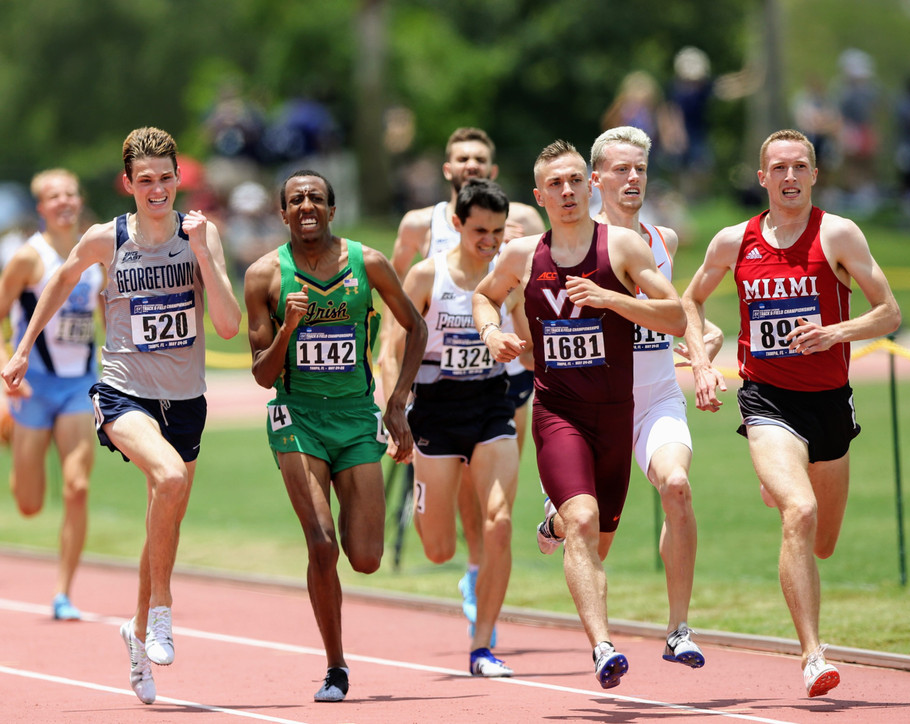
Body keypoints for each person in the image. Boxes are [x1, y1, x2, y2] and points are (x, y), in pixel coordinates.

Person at [1, 127, 242, 705]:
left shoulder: (200, 235)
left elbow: (229, 325)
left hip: (185, 398)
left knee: (166, 514)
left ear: (177, 178)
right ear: (128, 184)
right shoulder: (107, 238)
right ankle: (161, 612)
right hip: (122, 392)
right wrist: (21, 348)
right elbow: (61, 280)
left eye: (166, 178)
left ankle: (136, 631)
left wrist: (205, 253)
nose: (156, 189)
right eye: (145, 180)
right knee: (171, 477)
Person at [680, 129, 900, 698]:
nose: (790, 176)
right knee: (798, 512)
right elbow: (690, 299)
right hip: (767, 398)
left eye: (800, 166)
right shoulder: (734, 241)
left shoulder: (838, 233)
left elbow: (889, 312)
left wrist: (835, 332)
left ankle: (781, 483)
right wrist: (704, 360)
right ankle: (812, 656)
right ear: (762, 178)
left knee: (822, 540)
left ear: (814, 174)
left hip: (829, 402)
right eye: (778, 168)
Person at [473, 140, 686, 689]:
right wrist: (493, 331)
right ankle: (603, 647)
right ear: (539, 194)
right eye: (555, 184)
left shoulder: (623, 247)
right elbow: (483, 294)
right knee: (585, 523)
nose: (567, 192)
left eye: (575, 181)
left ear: (590, 186)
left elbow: (676, 316)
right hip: (559, 413)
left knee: (595, 539)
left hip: (617, 415)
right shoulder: (523, 256)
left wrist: (612, 299)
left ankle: (554, 523)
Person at [243, 169, 426, 702]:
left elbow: (415, 326)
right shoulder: (264, 276)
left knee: (364, 556)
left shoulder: (367, 263)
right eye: (295, 199)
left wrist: (397, 403)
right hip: (296, 417)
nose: (306, 206)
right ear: (282, 214)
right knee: (321, 543)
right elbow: (261, 374)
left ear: (331, 209)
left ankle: (368, 503)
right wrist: (287, 331)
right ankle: (336, 667)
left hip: (354, 416)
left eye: (315, 198)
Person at [384, 127, 545, 636]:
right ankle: (442, 521)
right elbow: (394, 316)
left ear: (493, 169)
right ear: (448, 169)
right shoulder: (421, 231)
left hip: (500, 385)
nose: (471, 164)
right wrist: (392, 404)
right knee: (439, 544)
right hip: (435, 395)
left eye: (481, 157)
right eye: (462, 158)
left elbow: (543, 289)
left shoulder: (518, 225)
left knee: (495, 508)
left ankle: (481, 601)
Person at [589, 127, 723, 669]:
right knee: (594, 539)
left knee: (678, 484)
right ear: (596, 178)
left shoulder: (662, 239)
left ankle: (678, 629)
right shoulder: (579, 242)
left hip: (658, 396)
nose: (632, 179)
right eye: (621, 170)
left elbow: (684, 310)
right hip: (596, 407)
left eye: (640, 169)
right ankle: (599, 637)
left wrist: (704, 354)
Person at [0, 169, 102, 621]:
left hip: (80, 384)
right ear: (41, 208)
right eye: (53, 196)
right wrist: (7, 367)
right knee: (29, 503)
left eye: (70, 194)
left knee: (77, 487)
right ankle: (15, 441)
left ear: (79, 201)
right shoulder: (27, 258)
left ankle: (63, 593)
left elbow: (110, 316)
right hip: (34, 387)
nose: (63, 201)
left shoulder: (97, 255)